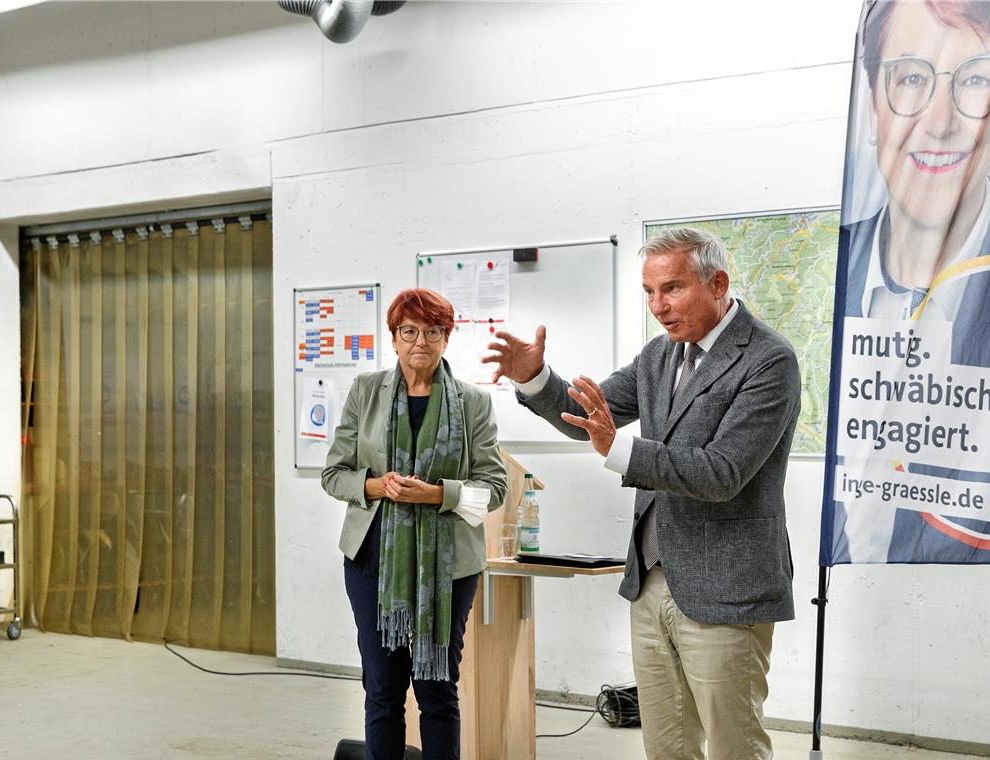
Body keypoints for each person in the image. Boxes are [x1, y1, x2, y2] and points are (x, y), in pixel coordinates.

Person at [484, 227, 801, 760]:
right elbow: (586, 414)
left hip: (726, 588)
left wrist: (620, 450)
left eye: (672, 289)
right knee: (667, 747)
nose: (658, 306)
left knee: (734, 748)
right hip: (652, 583)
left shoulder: (769, 360)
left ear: (718, 283)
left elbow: (723, 472)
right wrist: (535, 376)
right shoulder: (660, 355)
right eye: (649, 293)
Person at [831, 0, 990, 563]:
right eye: (910, 78)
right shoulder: (823, 280)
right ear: (871, 103)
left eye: (976, 81)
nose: (938, 121)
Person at [322, 288, 508, 760]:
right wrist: (376, 486)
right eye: (409, 331)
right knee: (382, 689)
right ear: (394, 338)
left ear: (447, 338)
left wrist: (437, 494)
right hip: (371, 561)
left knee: (437, 688)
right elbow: (334, 474)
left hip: (449, 568)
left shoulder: (473, 403)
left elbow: (495, 486)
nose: (419, 341)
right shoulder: (366, 392)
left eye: (432, 331)